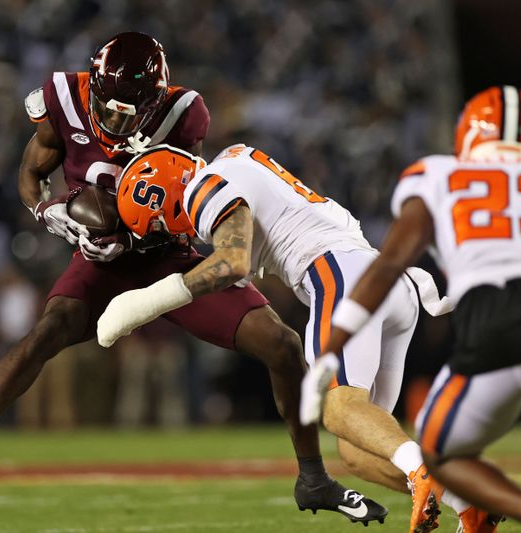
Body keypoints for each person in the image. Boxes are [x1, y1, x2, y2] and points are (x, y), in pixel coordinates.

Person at [0, 32, 383, 525]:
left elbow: (188, 199)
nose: (117, 121)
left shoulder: (184, 114)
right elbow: (31, 170)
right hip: (98, 259)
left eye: (130, 112)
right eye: (109, 108)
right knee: (48, 330)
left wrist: (139, 230)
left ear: (155, 101)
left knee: (283, 346)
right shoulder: (62, 98)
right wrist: (46, 210)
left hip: (166, 253)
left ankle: (313, 477)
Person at [95, 143, 491, 533]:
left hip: (342, 275)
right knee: (356, 450)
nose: (169, 233)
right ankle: (467, 501)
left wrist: (148, 302)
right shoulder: (235, 159)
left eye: (160, 225)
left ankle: (421, 468)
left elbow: (233, 262)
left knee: (338, 410)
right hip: (387, 280)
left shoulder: (202, 186)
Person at [303, 85, 521, 533]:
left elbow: (388, 266)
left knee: (436, 458)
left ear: (467, 137)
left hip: (495, 329)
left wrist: (334, 347)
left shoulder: (439, 176)